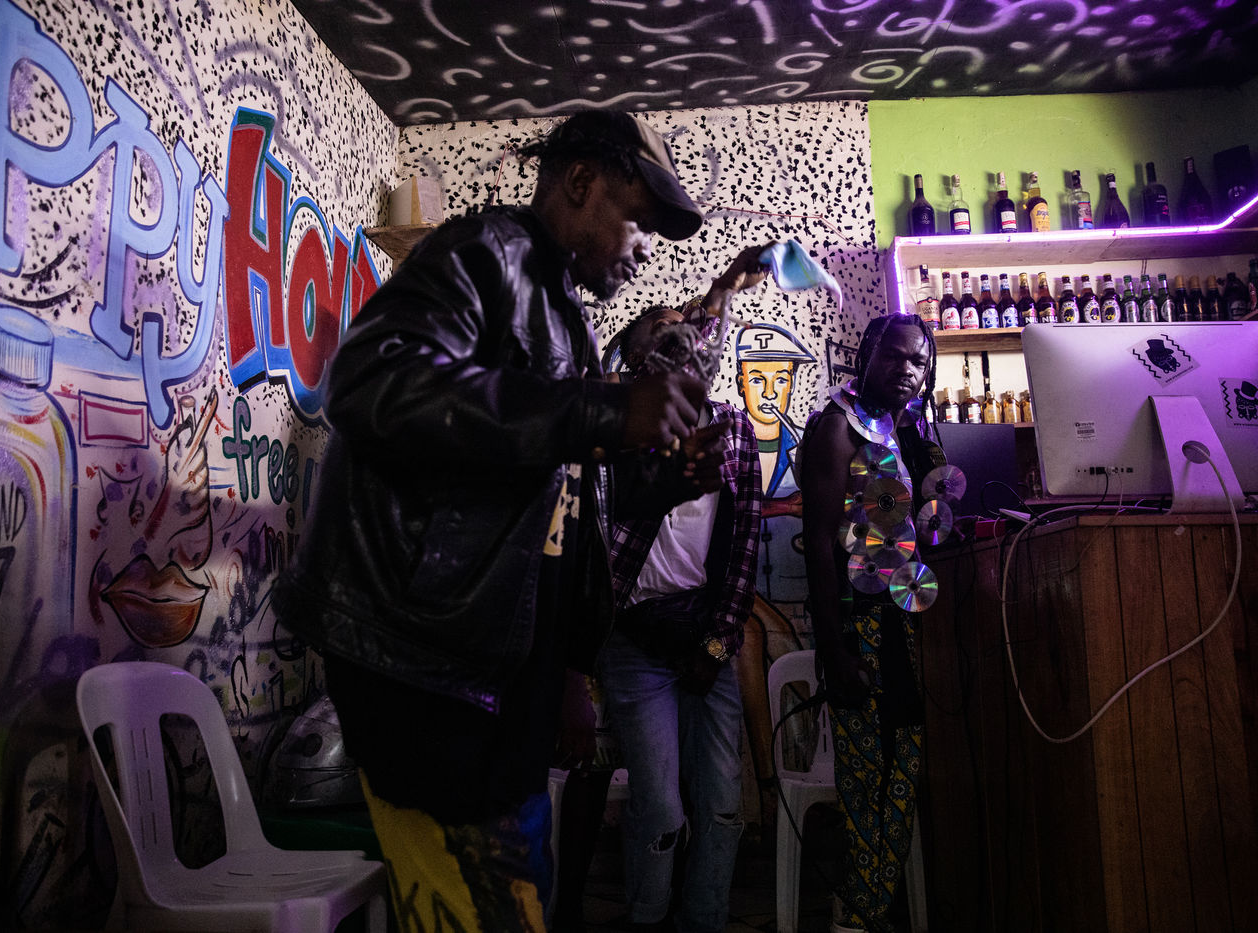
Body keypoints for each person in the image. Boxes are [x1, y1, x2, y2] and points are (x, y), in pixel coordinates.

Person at [274, 109, 727, 933]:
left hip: (494, 681)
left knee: (517, 901)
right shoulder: (487, 254)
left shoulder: (564, 314)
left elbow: (555, 499)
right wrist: (601, 409)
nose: (644, 249)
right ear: (581, 182)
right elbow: (373, 383)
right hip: (423, 668)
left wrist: (662, 481)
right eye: (637, 219)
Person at [599, 289, 764, 933]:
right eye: (660, 332)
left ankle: (705, 919)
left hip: (705, 638)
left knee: (722, 806)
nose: (681, 338)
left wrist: (717, 646)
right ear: (636, 359)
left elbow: (745, 546)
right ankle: (646, 917)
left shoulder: (735, 430)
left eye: (686, 330)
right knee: (661, 808)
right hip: (634, 640)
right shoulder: (617, 431)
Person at [797, 312, 943, 933]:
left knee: (900, 764)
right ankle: (856, 913)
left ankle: (869, 905)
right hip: (857, 627)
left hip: (897, 619)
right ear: (866, 354)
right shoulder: (837, 427)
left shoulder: (895, 428)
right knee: (867, 777)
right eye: (895, 356)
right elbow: (819, 544)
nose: (908, 370)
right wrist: (833, 653)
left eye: (919, 362)